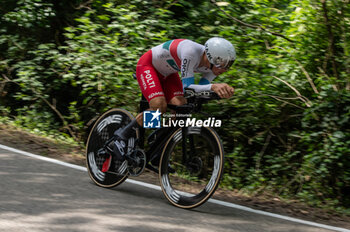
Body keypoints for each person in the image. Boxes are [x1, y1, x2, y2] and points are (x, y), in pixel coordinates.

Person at [106, 37, 236, 165]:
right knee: (159, 106)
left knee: (180, 107)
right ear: (211, 57)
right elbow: (187, 88)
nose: (224, 69)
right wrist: (214, 87)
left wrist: (219, 93)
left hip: (169, 73)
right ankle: (122, 134)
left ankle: (159, 147)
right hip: (148, 65)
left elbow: (200, 90)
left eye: (228, 65)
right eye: (223, 64)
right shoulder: (191, 52)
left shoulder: (214, 69)